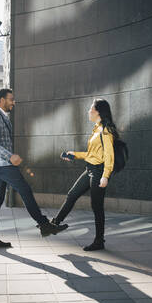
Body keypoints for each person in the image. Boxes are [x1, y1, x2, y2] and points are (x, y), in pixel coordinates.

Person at [0, 88, 68, 248]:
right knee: (25, 190)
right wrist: (10, 156)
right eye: (11, 99)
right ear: (2, 100)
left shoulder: (0, 116)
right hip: (2, 164)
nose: (14, 102)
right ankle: (44, 225)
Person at [54, 98, 117, 251]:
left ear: (98, 112)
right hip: (90, 169)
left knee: (97, 207)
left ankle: (99, 240)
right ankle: (54, 224)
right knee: (72, 194)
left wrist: (105, 175)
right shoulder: (96, 129)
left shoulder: (105, 130)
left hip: (99, 172)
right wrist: (74, 154)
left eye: (91, 109)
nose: (88, 111)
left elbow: (109, 155)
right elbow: (92, 154)